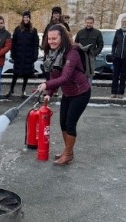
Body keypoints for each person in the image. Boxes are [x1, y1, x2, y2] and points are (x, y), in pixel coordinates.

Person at [37, 24, 91, 166]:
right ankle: (69, 151)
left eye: (55, 38)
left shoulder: (72, 53)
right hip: (68, 92)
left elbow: (65, 77)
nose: (52, 41)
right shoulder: (52, 53)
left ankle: (67, 154)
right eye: (49, 39)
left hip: (81, 92)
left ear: (63, 37)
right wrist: (49, 92)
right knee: (62, 123)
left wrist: (46, 85)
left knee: (70, 123)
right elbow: (53, 74)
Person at [5, 11, 39, 99]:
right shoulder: (18, 29)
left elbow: (36, 44)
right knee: (15, 74)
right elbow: (14, 42)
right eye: (24, 17)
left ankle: (23, 91)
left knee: (26, 75)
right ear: (22, 18)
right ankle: (11, 90)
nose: (26, 19)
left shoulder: (33, 30)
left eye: (27, 17)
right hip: (19, 56)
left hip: (28, 56)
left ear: (29, 18)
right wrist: (13, 54)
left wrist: (35, 55)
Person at [110, 15, 126, 99]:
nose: (124, 23)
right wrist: (113, 54)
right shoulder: (118, 32)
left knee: (123, 76)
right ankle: (113, 92)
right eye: (122, 22)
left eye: (125, 22)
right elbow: (114, 44)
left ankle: (121, 93)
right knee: (115, 75)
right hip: (117, 57)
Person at [75, 16, 104, 85]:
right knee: (80, 73)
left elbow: (100, 45)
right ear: (85, 22)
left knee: (90, 75)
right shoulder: (80, 32)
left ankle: (88, 91)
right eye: (87, 23)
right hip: (81, 57)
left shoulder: (97, 33)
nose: (89, 24)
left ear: (93, 23)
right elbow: (76, 44)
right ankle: (81, 90)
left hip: (91, 57)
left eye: (90, 23)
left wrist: (94, 53)